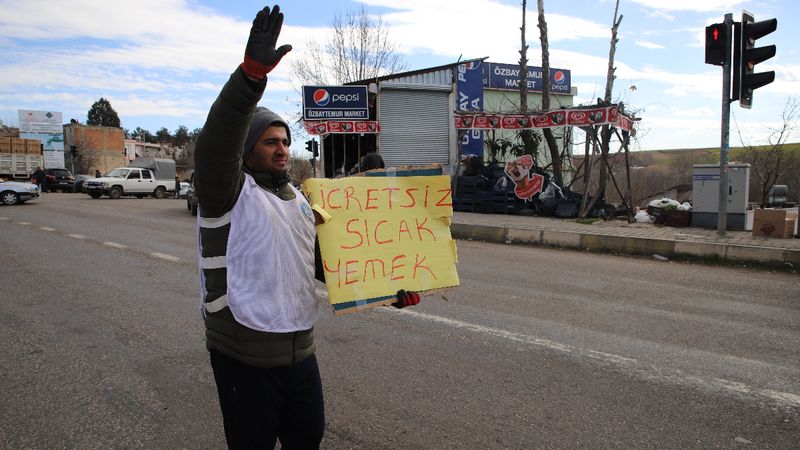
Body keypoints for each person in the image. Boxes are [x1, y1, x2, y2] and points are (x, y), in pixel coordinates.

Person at [193, 6, 420, 449]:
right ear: (246, 150)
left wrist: (389, 289)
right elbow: (217, 142)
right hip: (244, 356)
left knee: (307, 438)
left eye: (285, 141)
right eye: (270, 141)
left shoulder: (299, 198)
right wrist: (249, 78)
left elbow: (328, 263)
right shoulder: (227, 192)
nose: (282, 149)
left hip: (301, 353)